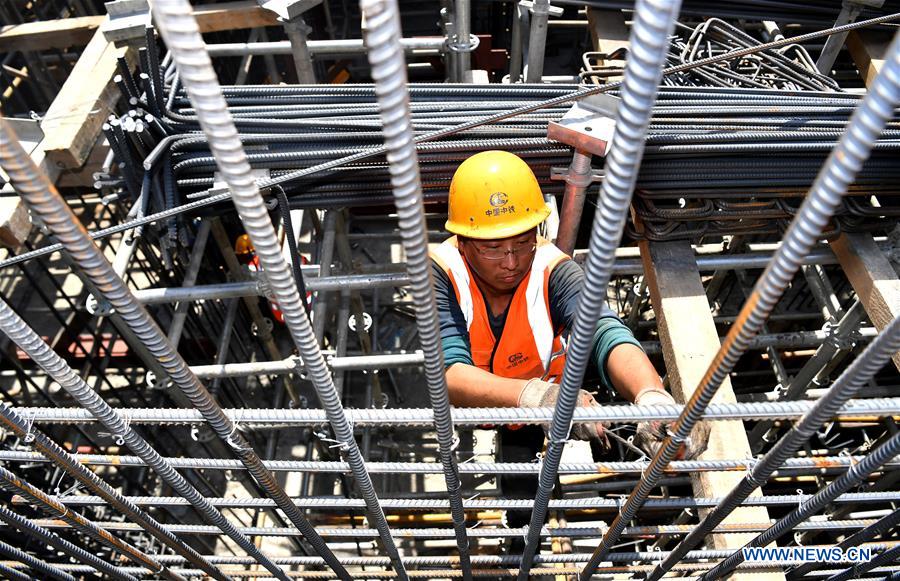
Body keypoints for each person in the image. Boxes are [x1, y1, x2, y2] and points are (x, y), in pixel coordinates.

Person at [430, 150, 709, 462]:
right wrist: (539, 397)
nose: (511, 262)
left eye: (523, 242)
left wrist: (653, 398)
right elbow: (449, 374)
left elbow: (603, 331)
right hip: (491, 401)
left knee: (527, 485)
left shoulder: (552, 268)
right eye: (492, 248)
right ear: (464, 242)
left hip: (534, 407)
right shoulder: (441, 272)